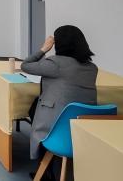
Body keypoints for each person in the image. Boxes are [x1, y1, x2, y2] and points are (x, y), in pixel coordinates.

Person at [22, 25, 97, 179]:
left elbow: (26, 65)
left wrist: (44, 49)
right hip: (83, 126)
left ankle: (46, 171)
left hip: (59, 128)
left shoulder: (55, 64)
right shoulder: (92, 68)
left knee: (35, 108)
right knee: (37, 106)